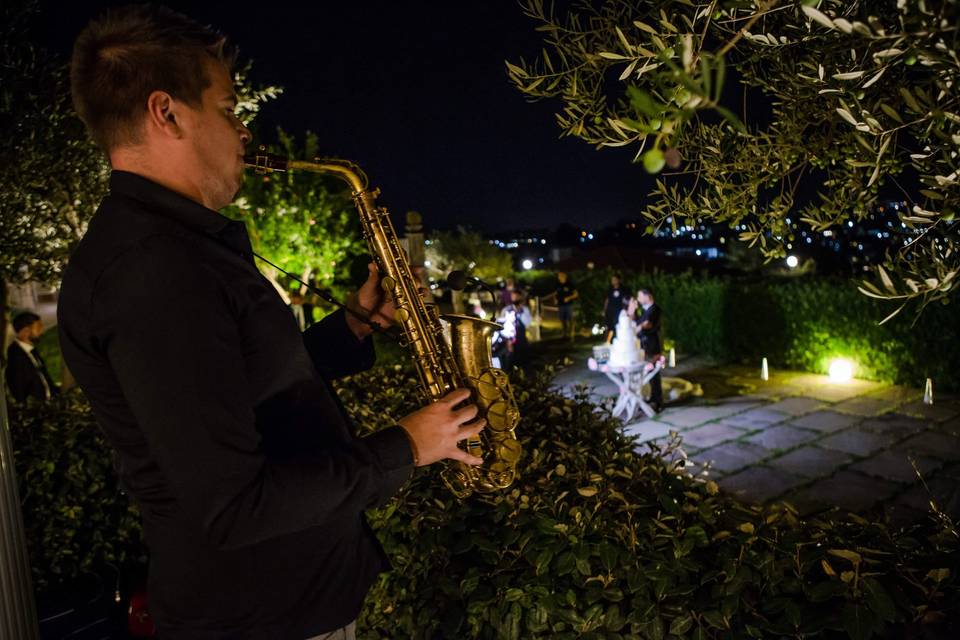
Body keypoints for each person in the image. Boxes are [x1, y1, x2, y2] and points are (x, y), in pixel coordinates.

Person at [59, 7, 484, 638]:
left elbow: (246, 387)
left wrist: (354, 328)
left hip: (286, 601)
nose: (244, 134)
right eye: (230, 109)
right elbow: (235, 505)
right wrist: (408, 446)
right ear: (166, 113)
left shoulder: (175, 249)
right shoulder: (155, 274)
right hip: (265, 615)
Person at [5, 311, 58, 403]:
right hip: (35, 410)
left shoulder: (31, 351)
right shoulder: (15, 356)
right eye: (38, 327)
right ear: (25, 331)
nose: (42, 331)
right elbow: (18, 388)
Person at [635, 288, 663, 412]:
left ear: (648, 296)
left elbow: (648, 324)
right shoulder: (646, 310)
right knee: (649, 375)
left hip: (653, 346)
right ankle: (652, 398)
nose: (638, 299)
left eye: (640, 296)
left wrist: (639, 327)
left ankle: (657, 402)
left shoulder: (655, 309)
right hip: (645, 346)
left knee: (654, 374)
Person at [495, 290, 533, 372]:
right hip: (509, 338)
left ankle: (524, 371)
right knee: (510, 358)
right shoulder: (506, 309)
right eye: (512, 296)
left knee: (523, 357)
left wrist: (520, 312)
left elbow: (527, 323)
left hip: (521, 337)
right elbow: (501, 323)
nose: (514, 298)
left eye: (516, 296)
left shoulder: (524, 309)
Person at [602, 273, 630, 344]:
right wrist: (604, 310)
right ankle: (608, 341)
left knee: (617, 326)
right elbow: (607, 300)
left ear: (618, 280)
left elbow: (626, 300)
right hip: (610, 311)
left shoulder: (623, 289)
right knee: (610, 326)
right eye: (612, 280)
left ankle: (619, 340)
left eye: (615, 280)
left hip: (619, 311)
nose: (613, 281)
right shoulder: (610, 289)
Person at [554, 271, 579, 341]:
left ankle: (571, 335)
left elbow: (576, 294)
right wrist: (555, 299)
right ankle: (564, 334)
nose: (558, 277)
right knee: (562, 320)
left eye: (560, 276)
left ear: (564, 276)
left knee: (570, 320)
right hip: (560, 305)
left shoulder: (570, 284)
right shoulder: (557, 284)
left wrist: (569, 298)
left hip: (568, 305)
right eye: (558, 276)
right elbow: (555, 294)